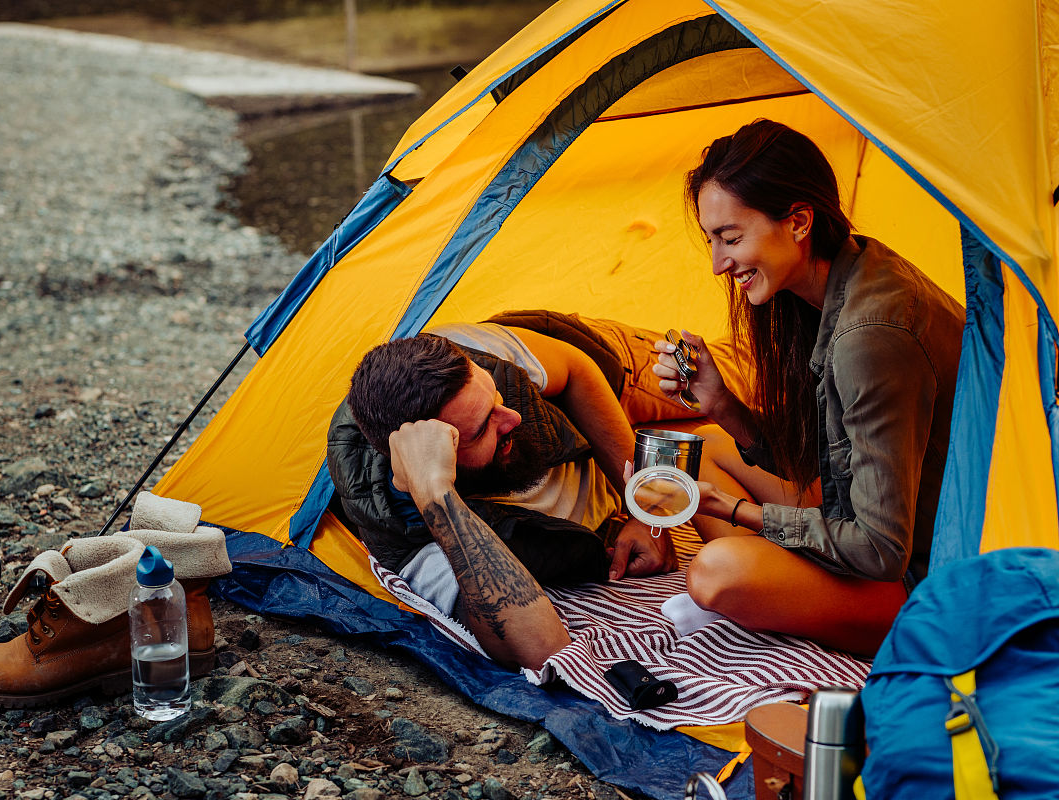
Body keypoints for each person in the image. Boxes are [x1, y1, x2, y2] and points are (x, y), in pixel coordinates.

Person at [653, 119, 963, 655]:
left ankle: (763, 597)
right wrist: (722, 403)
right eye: (711, 239)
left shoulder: (871, 336)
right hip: (878, 519)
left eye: (730, 238)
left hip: (934, 579)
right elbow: (822, 467)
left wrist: (733, 510)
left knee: (716, 575)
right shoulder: (849, 270)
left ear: (798, 221)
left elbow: (878, 550)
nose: (717, 264)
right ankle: (779, 591)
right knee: (706, 443)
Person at [327, 311, 740, 669]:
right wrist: (435, 492)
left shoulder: (475, 356)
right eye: (482, 427)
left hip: (616, 378)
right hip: (605, 449)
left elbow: (578, 368)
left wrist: (645, 512)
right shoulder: (408, 534)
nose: (512, 417)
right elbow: (543, 649)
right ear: (440, 456)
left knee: (753, 387)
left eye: (496, 397)